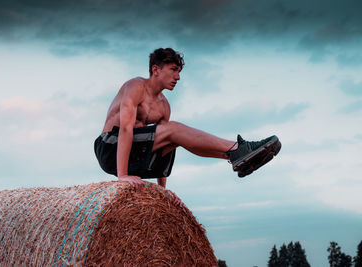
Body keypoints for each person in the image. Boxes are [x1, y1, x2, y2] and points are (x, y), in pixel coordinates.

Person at [94, 48, 281, 197]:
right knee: (173, 129)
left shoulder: (164, 106)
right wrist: (122, 176)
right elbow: (126, 128)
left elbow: (163, 147)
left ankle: (233, 156)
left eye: (179, 71)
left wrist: (162, 191)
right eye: (173, 70)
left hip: (137, 158)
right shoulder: (135, 86)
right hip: (110, 148)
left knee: (174, 137)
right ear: (156, 69)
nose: (178, 77)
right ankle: (238, 148)